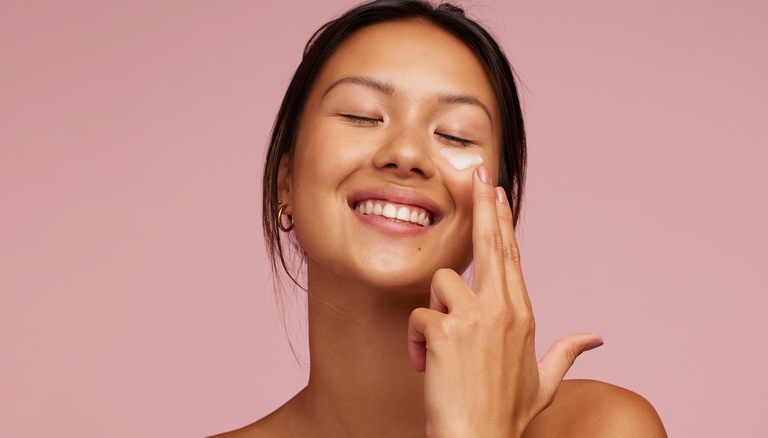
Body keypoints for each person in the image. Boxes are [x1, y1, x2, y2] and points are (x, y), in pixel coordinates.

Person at [213, 1, 667, 436]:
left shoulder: (599, 429)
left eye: (455, 134)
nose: (407, 154)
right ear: (284, 181)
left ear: (495, 202)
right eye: (362, 115)